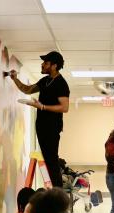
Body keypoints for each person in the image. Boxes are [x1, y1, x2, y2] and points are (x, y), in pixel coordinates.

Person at [9, 51, 70, 188]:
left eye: (46, 63)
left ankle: (58, 194)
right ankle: (56, 192)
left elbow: (64, 107)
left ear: (54, 66)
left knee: (52, 161)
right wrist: (14, 79)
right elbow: (27, 89)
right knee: (49, 161)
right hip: (41, 126)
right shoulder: (45, 81)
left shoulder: (61, 84)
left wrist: (42, 106)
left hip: (52, 127)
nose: (42, 65)